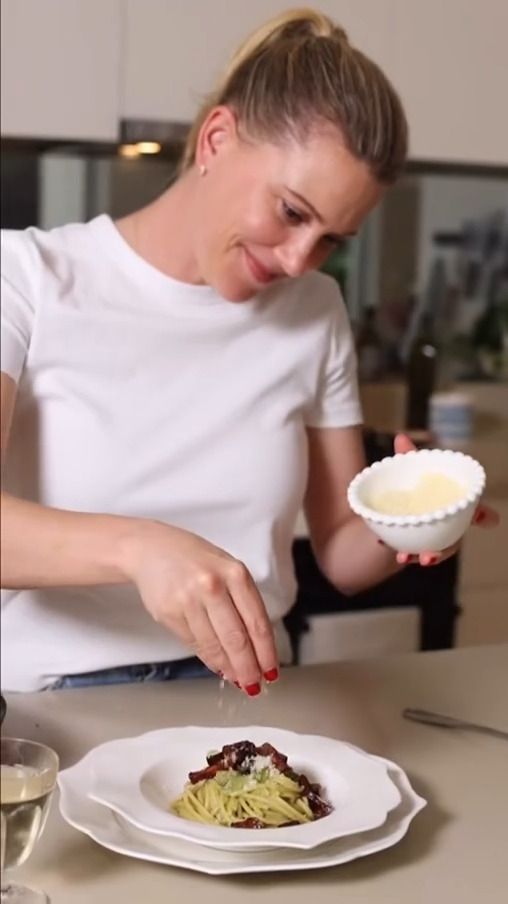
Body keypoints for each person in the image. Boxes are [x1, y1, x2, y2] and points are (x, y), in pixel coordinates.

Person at [0, 9, 496, 694]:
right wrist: (142, 548)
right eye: (292, 211)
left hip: (248, 695)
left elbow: (341, 552)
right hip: (56, 698)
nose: (298, 259)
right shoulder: (25, 277)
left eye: (331, 239)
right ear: (216, 139)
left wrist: (409, 525)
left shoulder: (315, 310)